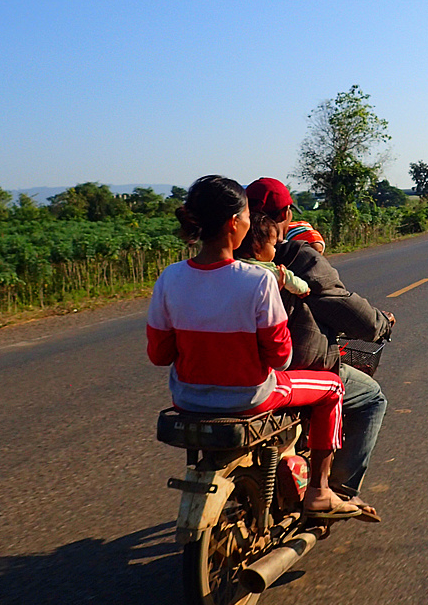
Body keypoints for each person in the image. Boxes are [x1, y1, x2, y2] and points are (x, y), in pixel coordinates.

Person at [146, 175, 359, 519]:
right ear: (234, 223)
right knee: (333, 388)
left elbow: (159, 355)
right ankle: (319, 491)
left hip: (186, 398)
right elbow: (281, 356)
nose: (251, 222)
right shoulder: (260, 280)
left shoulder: (169, 277)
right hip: (251, 397)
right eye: (247, 215)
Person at [246, 177, 392, 523]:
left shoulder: (223, 257)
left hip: (226, 372)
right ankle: (334, 491)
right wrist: (380, 324)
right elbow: (338, 303)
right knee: (371, 397)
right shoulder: (293, 257)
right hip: (288, 371)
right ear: (284, 214)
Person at [235, 211, 310, 297]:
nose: (274, 250)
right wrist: (305, 288)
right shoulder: (269, 270)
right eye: (273, 245)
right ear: (257, 248)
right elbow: (294, 283)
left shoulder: (234, 265)